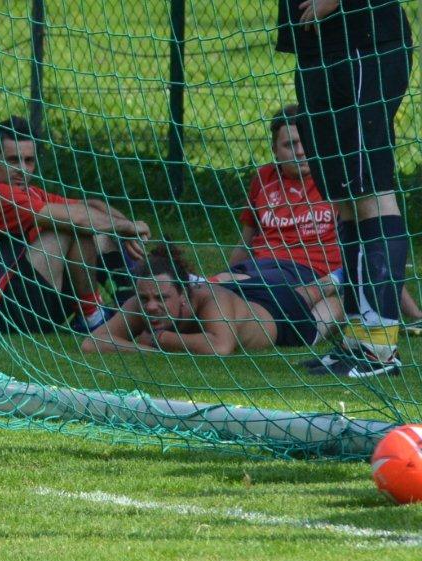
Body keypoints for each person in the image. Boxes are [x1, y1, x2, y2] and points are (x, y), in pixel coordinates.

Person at [275, 0, 413, 377]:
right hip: (316, 48)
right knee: (346, 199)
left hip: (364, 44)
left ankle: (379, 347)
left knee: (370, 194)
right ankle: (356, 339)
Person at [219, 104, 422, 330]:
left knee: (240, 291)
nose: (299, 151)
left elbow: (374, 249)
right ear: (274, 149)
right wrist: (230, 271)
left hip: (312, 271)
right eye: (289, 144)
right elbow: (245, 242)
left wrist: (415, 313)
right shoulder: (265, 178)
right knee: (223, 285)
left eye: (305, 143)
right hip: (262, 266)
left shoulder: (334, 179)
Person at [0, 116, 150, 335]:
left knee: (98, 228)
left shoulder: (28, 193)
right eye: (13, 160)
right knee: (71, 226)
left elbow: (91, 205)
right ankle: (93, 317)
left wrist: (128, 229)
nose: (22, 169)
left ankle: (135, 303)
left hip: (29, 302)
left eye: (29, 160)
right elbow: (78, 219)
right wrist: (127, 227)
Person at [81, 243, 342, 355]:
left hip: (282, 317)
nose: (151, 306)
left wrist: (162, 339)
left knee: (330, 306)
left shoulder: (211, 301)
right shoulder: (142, 303)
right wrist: (146, 350)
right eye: (145, 297)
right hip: (244, 297)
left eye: (162, 297)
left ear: (184, 294)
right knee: (308, 292)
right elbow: (92, 343)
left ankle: (342, 278)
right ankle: (335, 280)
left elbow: (221, 347)